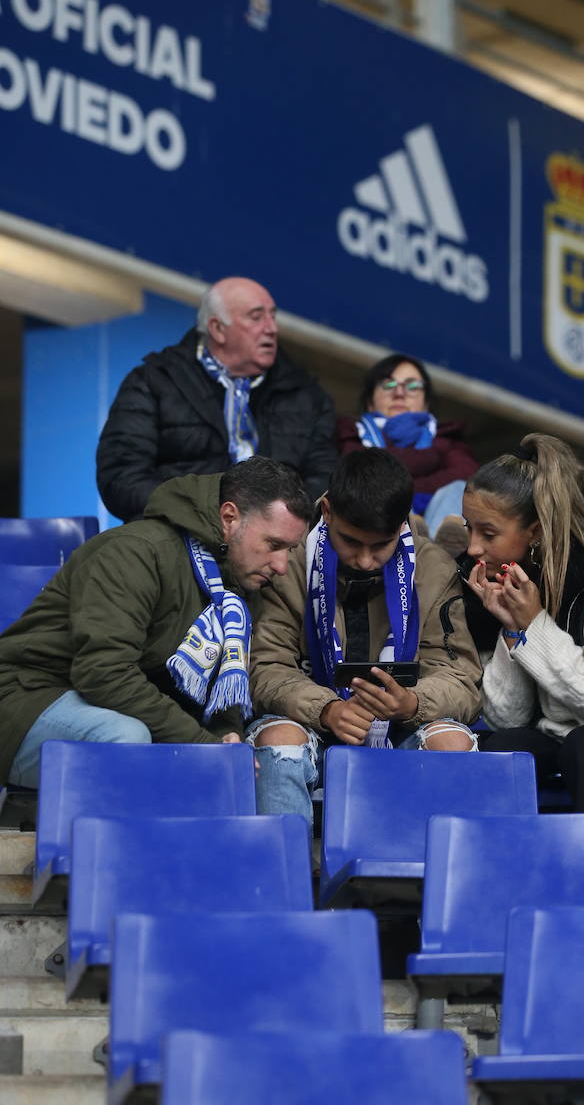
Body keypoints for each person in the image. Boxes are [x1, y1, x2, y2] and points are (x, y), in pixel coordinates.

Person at [0, 457, 310, 788]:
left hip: (106, 705)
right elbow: (103, 673)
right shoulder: (135, 551)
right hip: (26, 699)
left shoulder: (240, 583)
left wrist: (224, 737)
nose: (280, 566)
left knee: (242, 756)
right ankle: (99, 840)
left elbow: (221, 687)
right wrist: (201, 743)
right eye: (273, 545)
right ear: (229, 517)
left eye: (289, 550)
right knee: (125, 736)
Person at [248, 447, 482, 829]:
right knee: (280, 740)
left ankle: (434, 882)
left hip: (403, 728)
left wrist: (411, 703)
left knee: (452, 745)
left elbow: (462, 678)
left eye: (381, 546)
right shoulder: (290, 562)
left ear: (402, 526)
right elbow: (266, 668)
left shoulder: (435, 568)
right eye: (352, 542)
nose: (365, 560)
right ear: (327, 513)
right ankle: (283, 878)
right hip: (311, 723)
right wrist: (326, 710)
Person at [462, 434, 584, 811]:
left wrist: (534, 624)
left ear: (536, 531)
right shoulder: (497, 582)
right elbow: (507, 718)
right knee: (503, 748)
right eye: (468, 529)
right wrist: (511, 629)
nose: (473, 548)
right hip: (547, 734)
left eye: (488, 533)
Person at [97, 277, 337, 522]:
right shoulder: (154, 381)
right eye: (256, 317)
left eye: (272, 316)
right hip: (177, 541)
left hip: (278, 549)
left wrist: (272, 521)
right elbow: (122, 477)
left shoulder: (307, 397)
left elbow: (325, 480)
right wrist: (203, 515)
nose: (272, 328)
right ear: (218, 329)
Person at [336, 353, 478, 543]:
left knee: (459, 488)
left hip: (437, 533)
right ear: (370, 402)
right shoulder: (352, 435)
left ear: (426, 402)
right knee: (376, 491)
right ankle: (413, 534)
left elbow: (466, 474)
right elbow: (362, 482)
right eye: (388, 385)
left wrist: (396, 483)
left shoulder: (447, 436)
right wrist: (430, 460)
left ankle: (435, 549)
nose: (400, 393)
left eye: (412, 386)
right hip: (379, 533)